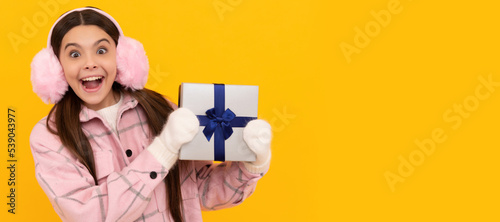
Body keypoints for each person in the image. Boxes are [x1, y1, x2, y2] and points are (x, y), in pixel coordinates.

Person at [29, 7, 271, 222]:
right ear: (54, 68)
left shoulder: (162, 109)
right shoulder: (49, 137)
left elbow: (203, 192)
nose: (90, 63)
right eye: (74, 54)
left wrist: (253, 163)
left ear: (122, 57)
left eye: (102, 50)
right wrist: (163, 150)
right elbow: (88, 214)